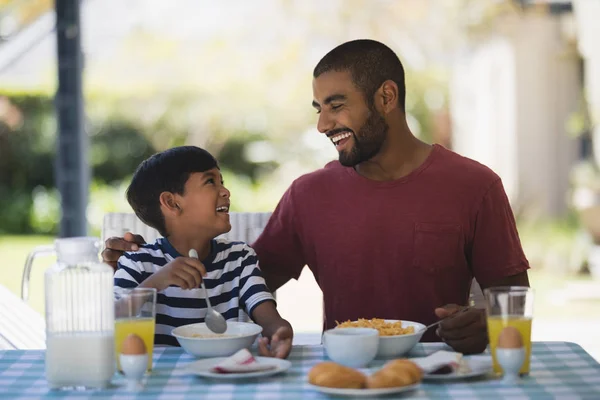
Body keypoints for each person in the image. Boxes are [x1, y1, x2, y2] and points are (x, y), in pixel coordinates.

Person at [104, 40, 529, 355]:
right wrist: (150, 261)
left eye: (337, 105)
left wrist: (488, 321)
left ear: (386, 98)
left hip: (442, 373)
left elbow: (511, 297)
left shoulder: (476, 186)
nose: (323, 124)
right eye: (318, 107)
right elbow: (234, 282)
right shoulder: (309, 195)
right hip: (340, 377)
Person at [113, 146, 293, 358]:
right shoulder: (138, 262)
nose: (226, 191)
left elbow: (268, 317)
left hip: (225, 372)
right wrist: (156, 282)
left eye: (222, 182)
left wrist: (280, 332)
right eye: (210, 182)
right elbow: (111, 318)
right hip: (164, 379)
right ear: (172, 203)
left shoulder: (239, 258)